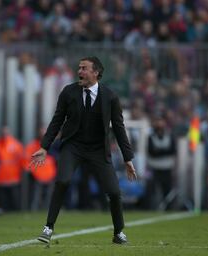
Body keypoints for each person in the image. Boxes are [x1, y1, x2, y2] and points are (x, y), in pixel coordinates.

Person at [30, 56, 137, 245]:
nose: (79, 72)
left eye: (84, 68)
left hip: (98, 150)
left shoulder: (110, 97)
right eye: (79, 68)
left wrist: (128, 158)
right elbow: (57, 121)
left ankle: (119, 233)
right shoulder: (68, 92)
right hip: (73, 147)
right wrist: (44, 147)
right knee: (62, 181)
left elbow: (119, 128)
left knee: (113, 192)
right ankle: (48, 228)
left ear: (96, 72)